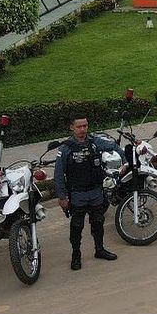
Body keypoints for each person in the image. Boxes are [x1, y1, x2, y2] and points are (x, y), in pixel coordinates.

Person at [54, 115, 122, 270]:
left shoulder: (94, 142)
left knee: (98, 223)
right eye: (79, 127)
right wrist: (62, 196)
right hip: (78, 194)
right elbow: (58, 175)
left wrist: (125, 161)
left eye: (85, 126)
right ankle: (76, 255)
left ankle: (100, 250)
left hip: (96, 192)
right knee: (77, 226)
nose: (83, 129)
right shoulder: (66, 148)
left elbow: (113, 146)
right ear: (72, 127)